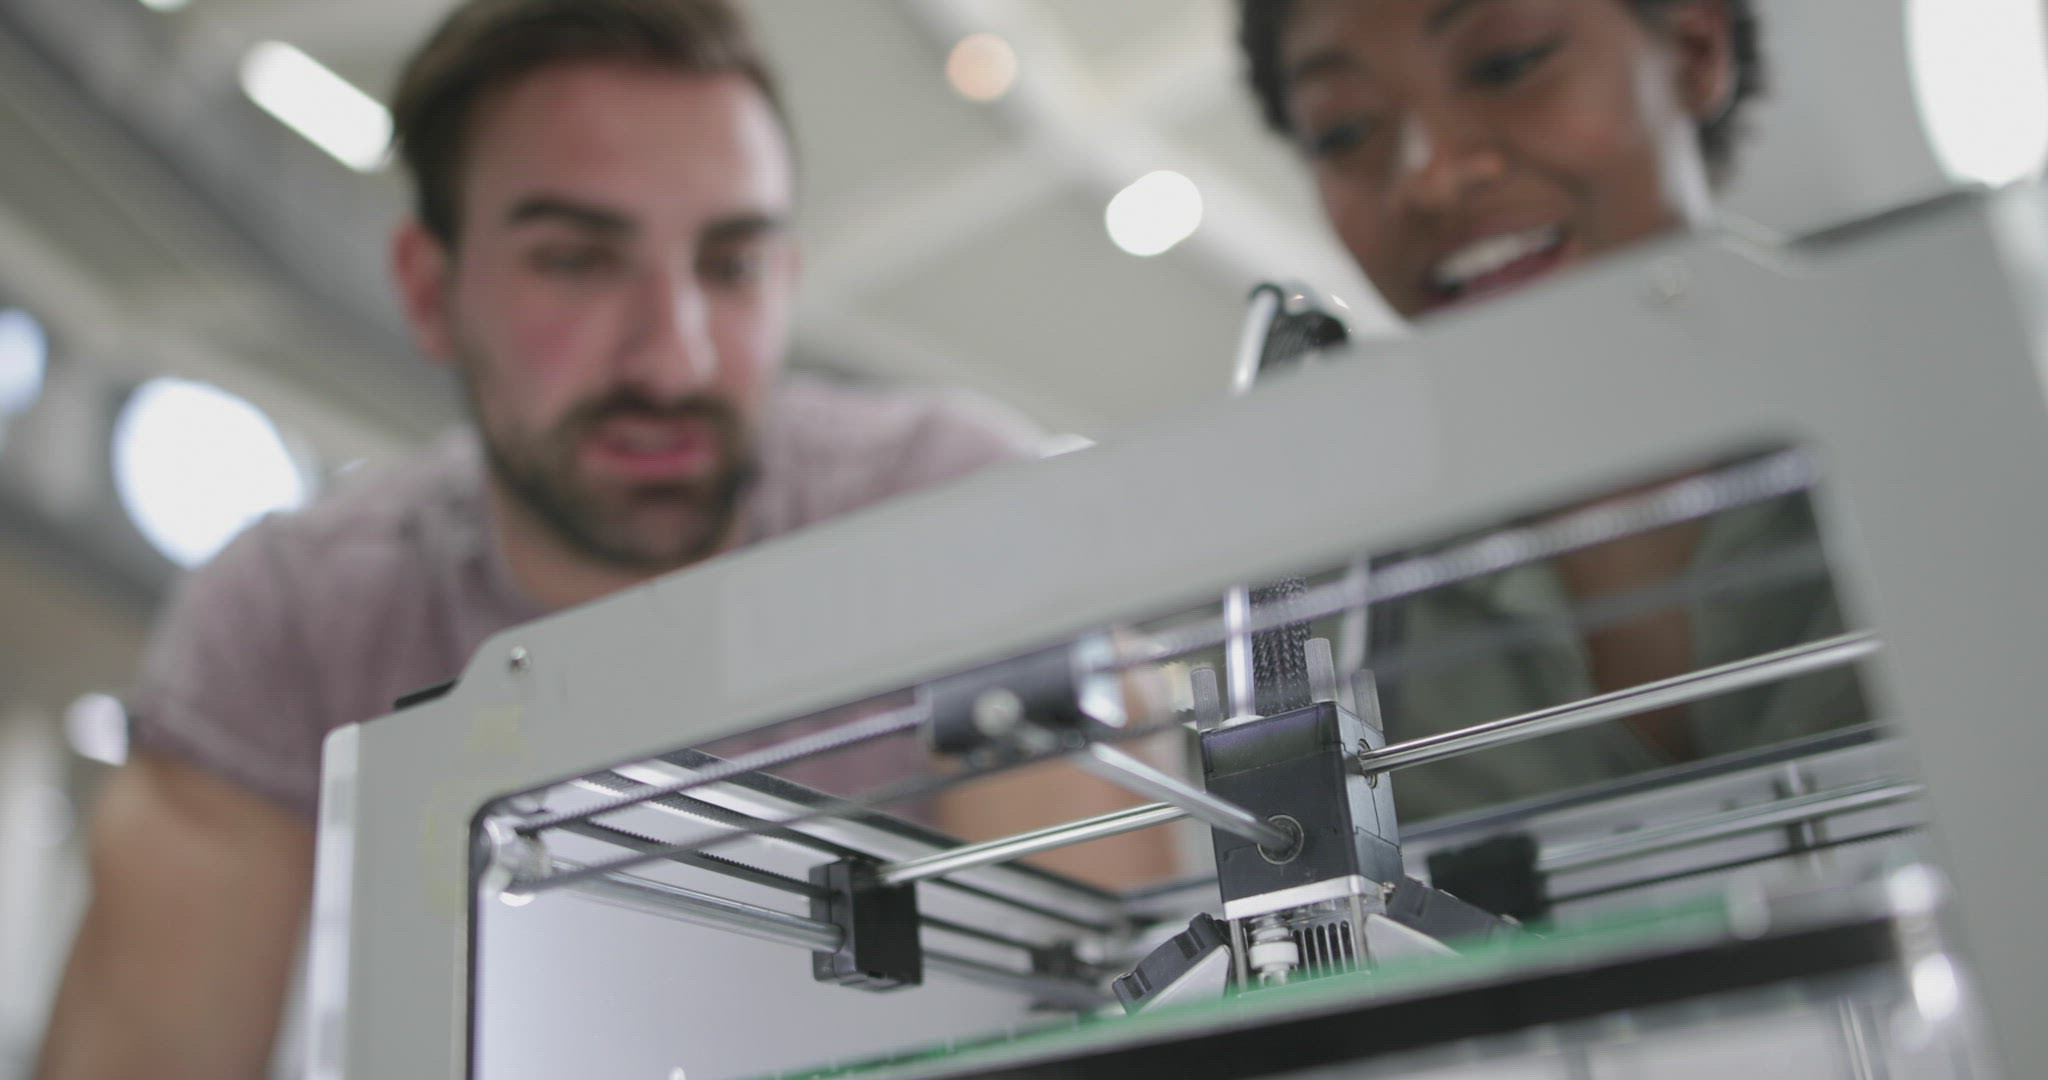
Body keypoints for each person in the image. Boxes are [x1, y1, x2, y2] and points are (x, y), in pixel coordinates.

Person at [37, 3, 1171, 1076]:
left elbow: (1098, 1028)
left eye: (730, 265)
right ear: (429, 292)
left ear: (786, 278)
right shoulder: (298, 615)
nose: (673, 357)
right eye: (576, 261)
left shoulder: (951, 516)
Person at [1236, 0, 1867, 818]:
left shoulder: (1963, 412)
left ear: (1692, 51)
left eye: (1507, 64)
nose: (1432, 177)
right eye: (1346, 130)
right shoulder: (1305, 617)